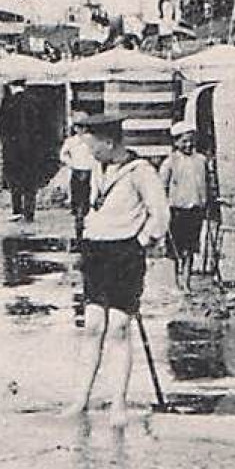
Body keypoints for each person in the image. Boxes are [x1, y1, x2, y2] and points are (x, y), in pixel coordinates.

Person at [67, 114, 169, 426]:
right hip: (96, 250)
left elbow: (160, 214)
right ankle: (80, 400)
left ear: (109, 143)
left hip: (125, 252)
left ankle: (118, 406)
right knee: (94, 326)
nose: (90, 153)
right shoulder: (98, 166)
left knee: (119, 328)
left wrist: (141, 242)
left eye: (93, 146)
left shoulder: (141, 171)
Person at [159, 121, 213, 290]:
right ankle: (175, 283)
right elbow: (161, 188)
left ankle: (187, 282)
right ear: (176, 142)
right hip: (176, 211)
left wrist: (208, 202)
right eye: (184, 141)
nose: (188, 144)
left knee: (190, 249)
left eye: (191, 140)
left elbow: (208, 183)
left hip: (195, 210)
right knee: (175, 250)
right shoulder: (170, 162)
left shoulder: (201, 160)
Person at [0, 78, 49, 223]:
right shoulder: (35, 101)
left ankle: (16, 210)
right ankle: (29, 213)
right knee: (30, 182)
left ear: (11, 86)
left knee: (14, 181)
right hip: (32, 150)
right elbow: (43, 128)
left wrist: (7, 142)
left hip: (12, 150)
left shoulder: (7, 103)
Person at [59, 112, 98, 242]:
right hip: (76, 171)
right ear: (75, 128)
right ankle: (78, 224)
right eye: (79, 127)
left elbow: (97, 154)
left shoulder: (92, 140)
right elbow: (63, 155)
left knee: (88, 198)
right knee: (77, 198)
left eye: (84, 127)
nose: (81, 130)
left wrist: (94, 164)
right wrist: (71, 163)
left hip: (90, 171)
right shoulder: (71, 141)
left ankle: (86, 224)